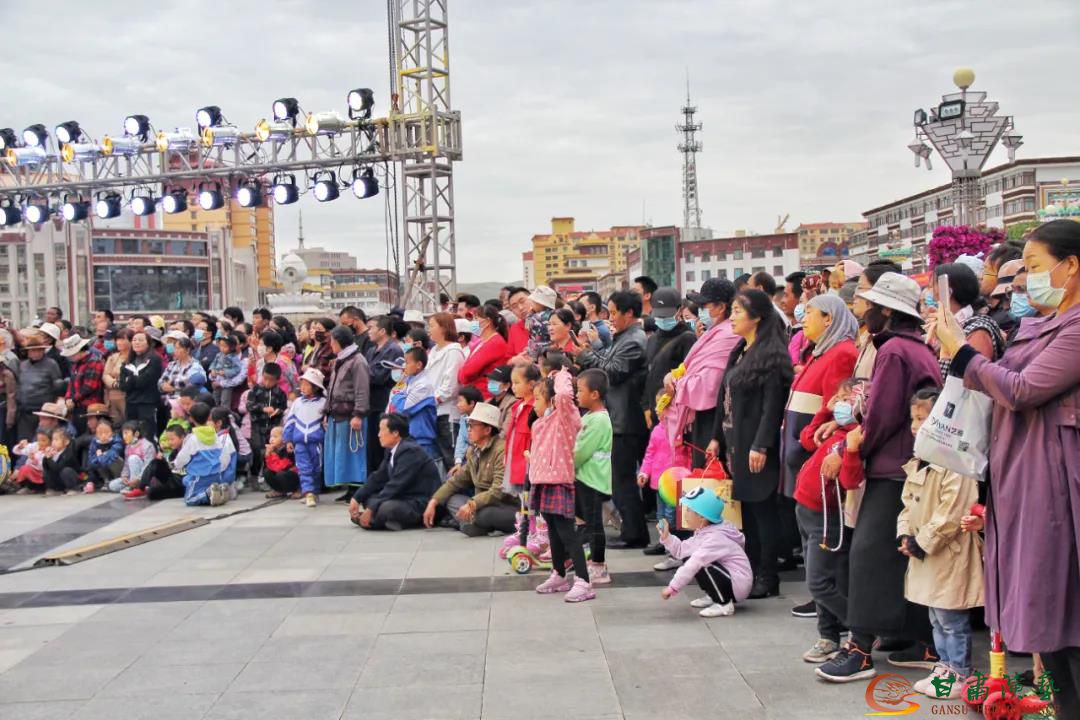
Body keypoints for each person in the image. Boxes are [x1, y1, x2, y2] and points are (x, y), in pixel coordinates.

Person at [934, 219, 1080, 717]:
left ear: (1071, 265)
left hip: (1055, 480)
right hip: (1022, 474)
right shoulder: (1040, 324)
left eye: (1034, 267)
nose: (1024, 283)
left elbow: (1022, 390)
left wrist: (962, 354)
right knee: (1043, 613)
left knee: (1060, 602)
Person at [817, 272, 942, 684]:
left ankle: (859, 648)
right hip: (911, 464)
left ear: (886, 311)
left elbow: (882, 415)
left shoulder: (894, 352)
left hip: (893, 468)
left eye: (870, 305)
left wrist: (854, 447)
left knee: (868, 557)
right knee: (901, 556)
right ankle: (920, 640)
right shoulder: (917, 349)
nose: (864, 311)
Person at [890, 388, 983, 700]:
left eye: (923, 418)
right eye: (914, 419)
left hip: (948, 553)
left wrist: (923, 541)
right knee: (936, 616)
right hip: (925, 552)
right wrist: (906, 535)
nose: (916, 426)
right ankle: (944, 666)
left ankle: (960, 671)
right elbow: (907, 503)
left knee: (951, 617)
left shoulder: (958, 461)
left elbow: (952, 511)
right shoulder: (920, 461)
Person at [707, 289, 793, 599]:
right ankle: (751, 570)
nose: (731, 317)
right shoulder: (741, 349)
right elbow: (724, 398)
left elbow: (772, 407)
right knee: (747, 514)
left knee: (762, 512)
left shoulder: (772, 355)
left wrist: (761, 445)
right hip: (734, 443)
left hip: (754, 447)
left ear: (756, 317)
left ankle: (768, 576)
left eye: (737, 311)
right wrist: (716, 436)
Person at [576, 290, 649, 549]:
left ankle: (635, 533)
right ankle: (632, 530)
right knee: (619, 479)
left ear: (629, 313)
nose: (611, 318)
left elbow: (614, 371)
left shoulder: (634, 340)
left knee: (622, 480)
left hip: (626, 419)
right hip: (619, 416)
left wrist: (585, 356)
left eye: (615, 312)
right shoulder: (624, 337)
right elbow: (608, 362)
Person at [794, 378, 861, 663]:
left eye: (849, 400)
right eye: (840, 398)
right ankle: (828, 636)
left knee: (819, 582)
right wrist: (826, 411)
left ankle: (861, 629)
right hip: (805, 508)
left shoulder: (854, 436)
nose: (843, 404)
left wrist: (846, 449)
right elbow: (807, 437)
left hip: (826, 514)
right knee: (820, 580)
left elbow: (850, 477)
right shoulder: (835, 428)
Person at [780, 295, 859, 500]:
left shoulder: (842, 353)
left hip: (810, 450)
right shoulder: (822, 351)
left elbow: (833, 407)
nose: (803, 319)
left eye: (809, 313)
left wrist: (805, 441)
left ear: (828, 319)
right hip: (798, 447)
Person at [530, 369, 594, 602]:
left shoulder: (563, 418)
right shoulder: (539, 424)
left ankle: (584, 581)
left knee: (567, 532)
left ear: (552, 401)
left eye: (538, 398)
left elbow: (565, 396)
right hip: (542, 481)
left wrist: (561, 374)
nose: (534, 403)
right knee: (553, 531)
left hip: (559, 482)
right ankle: (558, 574)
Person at [666, 279, 741, 469]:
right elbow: (690, 367)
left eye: (704, 305)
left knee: (710, 475)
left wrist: (676, 382)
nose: (701, 311)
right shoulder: (714, 331)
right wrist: (674, 376)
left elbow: (707, 383)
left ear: (721, 307)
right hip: (703, 416)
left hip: (714, 416)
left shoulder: (728, 334)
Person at [423, 402, 517, 535]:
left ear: (487, 430)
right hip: (480, 504)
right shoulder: (472, 451)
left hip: (504, 506)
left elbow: (498, 491)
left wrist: (472, 504)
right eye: (468, 425)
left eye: (472, 425)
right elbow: (456, 481)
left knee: (486, 514)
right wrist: (433, 501)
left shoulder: (501, 450)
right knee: (451, 500)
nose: (468, 429)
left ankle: (472, 523)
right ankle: (473, 523)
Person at [658, 486, 753, 618]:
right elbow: (681, 550)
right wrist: (666, 537)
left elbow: (694, 564)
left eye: (689, 511)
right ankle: (714, 595)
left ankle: (724, 603)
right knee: (691, 558)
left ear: (702, 517)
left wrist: (673, 587)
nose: (685, 514)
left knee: (699, 563)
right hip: (731, 580)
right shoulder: (706, 531)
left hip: (738, 585)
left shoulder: (715, 538)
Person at [350, 413, 442, 531]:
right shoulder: (391, 449)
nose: (378, 435)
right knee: (369, 498)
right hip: (403, 497)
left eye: (382, 430)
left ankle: (377, 520)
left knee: (386, 508)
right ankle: (385, 520)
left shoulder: (410, 450)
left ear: (395, 433)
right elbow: (378, 477)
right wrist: (357, 497)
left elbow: (396, 484)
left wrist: (371, 508)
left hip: (419, 501)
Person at [929, 262, 1005, 380]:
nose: (931, 291)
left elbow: (974, 378)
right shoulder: (947, 326)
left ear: (948, 291)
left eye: (933, 284)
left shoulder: (978, 329)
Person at [640, 388, 691, 561]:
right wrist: (644, 472)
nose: (657, 409)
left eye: (663, 404)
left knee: (672, 516)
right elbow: (650, 453)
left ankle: (674, 548)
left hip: (675, 482)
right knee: (661, 515)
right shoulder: (657, 430)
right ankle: (665, 542)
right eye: (657, 404)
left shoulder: (682, 430)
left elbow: (688, 455)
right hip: (659, 482)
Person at [574, 368, 614, 585]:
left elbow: (582, 450)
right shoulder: (590, 416)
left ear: (595, 394)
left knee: (594, 524)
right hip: (584, 477)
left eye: (580, 390)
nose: (577, 394)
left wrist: (566, 465)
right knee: (586, 520)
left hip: (592, 479)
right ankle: (587, 558)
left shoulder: (598, 420)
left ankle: (599, 566)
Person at [324, 325, 372, 499]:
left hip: (350, 414)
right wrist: (326, 412)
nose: (330, 344)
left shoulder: (358, 361)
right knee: (341, 453)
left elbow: (362, 390)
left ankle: (356, 490)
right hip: (336, 414)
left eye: (332, 341)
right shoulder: (341, 360)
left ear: (338, 341)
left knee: (354, 453)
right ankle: (349, 489)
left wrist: (358, 414)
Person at [642, 287, 696, 434]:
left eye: (666, 315)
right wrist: (646, 406)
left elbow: (689, 376)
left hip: (676, 413)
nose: (663, 319)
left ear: (679, 310)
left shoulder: (688, 338)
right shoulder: (652, 339)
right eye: (659, 315)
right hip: (655, 410)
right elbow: (648, 373)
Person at [426, 312, 466, 471]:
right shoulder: (434, 350)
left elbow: (451, 386)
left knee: (450, 454)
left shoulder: (453, 352)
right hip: (433, 410)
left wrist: (432, 400)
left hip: (447, 412)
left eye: (432, 326)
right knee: (439, 455)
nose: (429, 329)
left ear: (443, 328)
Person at [385, 347, 439, 462]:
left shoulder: (423, 385)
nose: (404, 366)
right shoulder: (408, 380)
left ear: (418, 365)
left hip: (421, 440)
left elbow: (403, 408)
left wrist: (397, 393)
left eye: (408, 362)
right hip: (406, 438)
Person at [283, 368, 327, 508]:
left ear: (316, 387)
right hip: (300, 442)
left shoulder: (323, 403)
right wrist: (288, 439)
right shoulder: (297, 403)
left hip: (316, 442)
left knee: (316, 468)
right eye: (302, 384)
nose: (303, 387)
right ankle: (308, 492)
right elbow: (290, 422)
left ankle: (314, 492)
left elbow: (326, 423)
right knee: (303, 468)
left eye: (307, 384)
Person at [172, 402, 231, 507]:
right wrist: (220, 469)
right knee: (186, 480)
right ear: (209, 417)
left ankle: (208, 494)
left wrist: (176, 465)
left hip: (199, 475)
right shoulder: (215, 435)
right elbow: (225, 455)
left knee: (190, 499)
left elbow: (183, 457)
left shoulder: (192, 438)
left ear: (191, 419)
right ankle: (218, 492)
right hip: (216, 475)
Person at [365, 317, 403, 472]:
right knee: (372, 446)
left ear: (382, 331)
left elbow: (380, 377)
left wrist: (361, 375)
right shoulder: (371, 351)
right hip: (370, 403)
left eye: (371, 328)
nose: (369, 332)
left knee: (383, 446)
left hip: (384, 402)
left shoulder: (393, 350)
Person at [246, 363, 288, 487]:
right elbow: (249, 405)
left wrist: (278, 411)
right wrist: (262, 408)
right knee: (257, 450)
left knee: (270, 452)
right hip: (257, 426)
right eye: (265, 378)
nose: (267, 382)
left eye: (271, 380)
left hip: (272, 428)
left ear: (277, 380)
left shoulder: (280, 393)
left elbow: (283, 407)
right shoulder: (255, 390)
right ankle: (254, 476)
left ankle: (267, 477)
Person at [15, 335, 63, 442]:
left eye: (39, 350)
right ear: (28, 352)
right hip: (24, 412)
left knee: (42, 441)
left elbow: (58, 387)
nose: (36, 353)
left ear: (43, 350)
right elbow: (18, 385)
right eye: (33, 350)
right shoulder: (23, 365)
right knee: (24, 442)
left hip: (43, 412)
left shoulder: (51, 364)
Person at [118, 330, 164, 440]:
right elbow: (123, 385)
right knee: (131, 434)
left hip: (148, 403)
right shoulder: (127, 362)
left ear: (148, 343)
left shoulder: (154, 359)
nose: (137, 342)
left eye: (140, 340)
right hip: (131, 403)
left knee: (148, 434)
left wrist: (131, 379)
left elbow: (144, 381)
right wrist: (134, 379)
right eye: (134, 340)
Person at [458, 303, 510, 398]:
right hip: (475, 392)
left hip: (484, 394)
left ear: (487, 322)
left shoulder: (495, 342)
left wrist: (462, 375)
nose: (473, 322)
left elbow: (468, 371)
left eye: (476, 318)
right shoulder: (481, 341)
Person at [60, 334, 105, 434]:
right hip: (76, 405)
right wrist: (68, 399)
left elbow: (89, 386)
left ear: (79, 350)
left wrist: (73, 399)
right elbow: (71, 384)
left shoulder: (94, 362)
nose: (69, 357)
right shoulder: (76, 364)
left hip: (90, 406)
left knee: (86, 433)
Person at [115, 421, 156, 499]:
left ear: (136, 434)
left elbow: (148, 466)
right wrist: (124, 477)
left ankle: (137, 488)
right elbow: (126, 465)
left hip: (145, 478)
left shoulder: (147, 445)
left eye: (126, 433)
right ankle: (131, 485)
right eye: (123, 434)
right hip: (132, 477)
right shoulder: (128, 447)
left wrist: (138, 479)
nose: (124, 436)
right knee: (113, 485)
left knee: (133, 458)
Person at [159, 335, 207, 402]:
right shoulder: (172, 364)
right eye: (175, 348)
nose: (175, 351)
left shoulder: (195, 366)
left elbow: (191, 386)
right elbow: (160, 382)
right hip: (168, 401)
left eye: (178, 348)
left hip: (184, 402)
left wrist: (173, 388)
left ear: (187, 350)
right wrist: (163, 386)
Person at [84, 419, 124, 493]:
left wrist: (100, 456)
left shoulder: (116, 440)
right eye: (100, 433)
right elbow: (91, 461)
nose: (103, 435)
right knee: (96, 462)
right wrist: (99, 458)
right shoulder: (94, 442)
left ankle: (117, 479)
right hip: (104, 468)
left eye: (106, 432)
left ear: (112, 432)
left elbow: (113, 455)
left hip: (118, 470)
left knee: (115, 460)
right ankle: (106, 481)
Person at [102, 329, 131, 425]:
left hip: (126, 397)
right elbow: (106, 375)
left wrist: (121, 382)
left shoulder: (134, 358)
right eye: (118, 340)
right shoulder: (113, 357)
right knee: (115, 424)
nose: (119, 342)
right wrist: (114, 383)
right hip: (111, 397)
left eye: (123, 339)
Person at [209, 334, 245, 410]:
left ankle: (224, 413)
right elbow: (213, 363)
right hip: (217, 379)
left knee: (225, 400)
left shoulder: (233, 358)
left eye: (225, 346)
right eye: (220, 345)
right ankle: (213, 412)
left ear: (231, 347)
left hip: (227, 382)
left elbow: (237, 369)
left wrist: (226, 372)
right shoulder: (218, 355)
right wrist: (212, 370)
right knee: (215, 398)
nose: (222, 348)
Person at [452, 386, 483, 473]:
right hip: (469, 456)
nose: (458, 405)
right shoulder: (464, 417)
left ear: (472, 403)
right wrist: (458, 461)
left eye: (460, 401)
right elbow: (461, 439)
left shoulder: (482, 419)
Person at [263, 426, 299, 498]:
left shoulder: (288, 449)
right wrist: (268, 455)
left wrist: (272, 455)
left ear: (284, 439)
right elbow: (269, 467)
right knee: (267, 472)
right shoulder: (273, 449)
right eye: (271, 436)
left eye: (275, 437)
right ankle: (279, 490)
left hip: (293, 475)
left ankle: (296, 490)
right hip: (281, 472)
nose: (271, 439)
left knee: (281, 474)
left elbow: (280, 467)